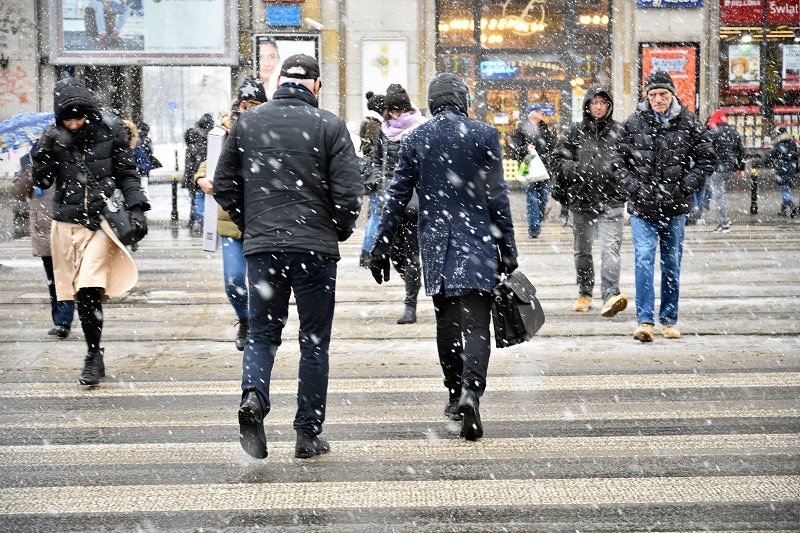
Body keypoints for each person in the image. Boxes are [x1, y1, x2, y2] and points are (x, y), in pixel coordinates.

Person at [214, 55, 362, 459]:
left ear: (281, 82)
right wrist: (336, 231)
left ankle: (253, 400)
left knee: (262, 335)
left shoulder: (248, 122)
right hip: (315, 249)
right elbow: (349, 194)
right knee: (314, 342)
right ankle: (307, 433)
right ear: (315, 85)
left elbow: (224, 186)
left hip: (264, 249)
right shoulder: (330, 126)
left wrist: (253, 224)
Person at [369, 73, 518, 441]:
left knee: (447, 325)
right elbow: (497, 197)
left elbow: (396, 196)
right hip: (479, 241)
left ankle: (454, 394)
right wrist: (508, 249)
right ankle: (472, 391)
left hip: (437, 244)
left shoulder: (416, 137)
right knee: (477, 326)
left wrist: (381, 245)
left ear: (433, 102)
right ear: (464, 100)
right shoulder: (484, 135)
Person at [31, 77, 150, 385]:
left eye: (79, 117)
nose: (74, 124)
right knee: (76, 292)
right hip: (66, 223)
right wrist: (41, 155)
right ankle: (94, 351)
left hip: (100, 221)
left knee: (87, 288)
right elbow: (43, 183)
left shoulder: (110, 131)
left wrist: (137, 208)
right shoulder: (53, 137)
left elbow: (127, 172)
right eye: (68, 118)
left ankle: (92, 356)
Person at [613, 71, 715, 342]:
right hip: (642, 206)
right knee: (644, 259)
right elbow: (618, 161)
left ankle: (669, 320)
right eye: (653, 94)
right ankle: (645, 321)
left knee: (671, 263)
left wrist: (684, 187)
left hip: (675, 206)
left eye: (663, 94)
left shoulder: (689, 122)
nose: (658, 99)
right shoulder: (633, 122)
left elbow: (707, 159)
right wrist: (635, 187)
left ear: (672, 95)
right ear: (646, 96)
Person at [195, 77, 268, 351]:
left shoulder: (272, 131)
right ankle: (245, 318)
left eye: (255, 104)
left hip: (262, 218)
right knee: (234, 279)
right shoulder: (225, 133)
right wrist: (201, 178)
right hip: (230, 221)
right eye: (245, 105)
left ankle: (262, 325)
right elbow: (207, 164)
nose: (248, 110)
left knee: (264, 281)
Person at [551, 85, 628, 317]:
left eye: (602, 103)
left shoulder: (620, 132)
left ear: (609, 106)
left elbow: (630, 162)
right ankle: (585, 292)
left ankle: (610, 295)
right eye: (594, 102)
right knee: (582, 251)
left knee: (610, 250)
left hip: (611, 199)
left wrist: (620, 180)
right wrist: (576, 170)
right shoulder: (574, 131)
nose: (598, 106)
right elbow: (557, 159)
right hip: (582, 199)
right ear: (587, 105)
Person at [367, 83, 426, 324]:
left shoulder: (420, 128)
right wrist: (377, 184)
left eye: (400, 110)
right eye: (392, 111)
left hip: (412, 201)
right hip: (390, 200)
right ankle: (414, 283)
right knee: (393, 254)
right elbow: (376, 163)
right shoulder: (384, 132)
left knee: (411, 254)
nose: (396, 115)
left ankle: (410, 304)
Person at [12, 149, 75, 339]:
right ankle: (60, 320)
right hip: (43, 228)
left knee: (63, 275)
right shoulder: (29, 162)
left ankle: (63, 320)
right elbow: (17, 192)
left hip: (65, 224)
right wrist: (30, 172)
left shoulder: (68, 156)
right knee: (53, 278)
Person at [511, 103, 556, 239]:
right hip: (528, 167)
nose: (543, 114)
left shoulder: (544, 128)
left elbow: (550, 146)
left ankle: (538, 220)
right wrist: (526, 148)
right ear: (532, 113)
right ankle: (534, 227)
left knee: (543, 197)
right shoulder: (521, 128)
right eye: (540, 111)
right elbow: (515, 149)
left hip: (543, 168)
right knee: (532, 198)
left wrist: (552, 138)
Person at [705, 109, 744, 232]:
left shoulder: (714, 133)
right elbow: (741, 153)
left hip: (717, 169)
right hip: (730, 168)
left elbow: (708, 151)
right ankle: (724, 221)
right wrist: (740, 168)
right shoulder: (734, 133)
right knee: (721, 194)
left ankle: (724, 223)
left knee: (719, 196)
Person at [359, 91, 385, 268]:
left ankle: (368, 252)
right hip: (376, 175)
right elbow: (377, 152)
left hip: (372, 175)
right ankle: (367, 253)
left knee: (374, 215)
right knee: (376, 216)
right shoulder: (375, 125)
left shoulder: (368, 122)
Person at [184, 113, 214, 232]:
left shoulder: (191, 146)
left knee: (195, 200)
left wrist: (190, 177)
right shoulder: (208, 141)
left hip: (195, 175)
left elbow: (189, 165)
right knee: (201, 200)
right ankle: (202, 223)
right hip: (203, 175)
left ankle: (193, 221)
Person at [765, 127, 799, 218]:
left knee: (784, 188)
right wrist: (796, 168)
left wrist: (764, 161)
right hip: (791, 167)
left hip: (782, 167)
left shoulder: (779, 144)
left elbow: (771, 156)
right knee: (786, 187)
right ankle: (783, 210)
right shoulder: (792, 143)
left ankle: (791, 206)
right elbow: (796, 156)